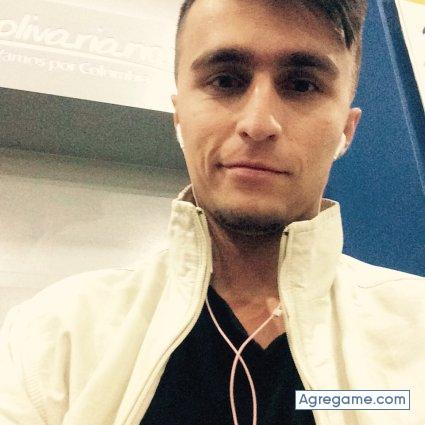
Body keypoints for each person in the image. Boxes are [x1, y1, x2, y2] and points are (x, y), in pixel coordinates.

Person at [1, 0, 424, 424]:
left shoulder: (415, 332)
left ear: (346, 129)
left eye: (301, 85)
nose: (258, 123)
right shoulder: (55, 337)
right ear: (179, 116)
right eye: (225, 81)